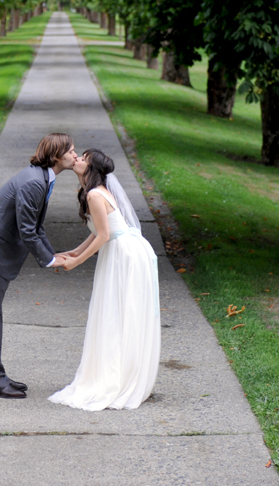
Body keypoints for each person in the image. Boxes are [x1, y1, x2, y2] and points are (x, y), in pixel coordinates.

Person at [0, 133, 77, 399]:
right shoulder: (33, 183)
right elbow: (27, 231)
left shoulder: (41, 178)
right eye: (71, 151)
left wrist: (54, 253)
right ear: (56, 157)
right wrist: (50, 261)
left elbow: (36, 226)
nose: (76, 155)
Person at [50, 148, 161, 411]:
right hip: (122, 251)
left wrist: (77, 262)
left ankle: (119, 377)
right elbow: (102, 229)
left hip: (125, 256)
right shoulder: (94, 192)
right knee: (116, 312)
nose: (76, 158)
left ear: (91, 169)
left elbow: (103, 236)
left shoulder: (94, 194)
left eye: (82, 158)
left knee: (118, 313)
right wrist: (74, 251)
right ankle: (121, 372)